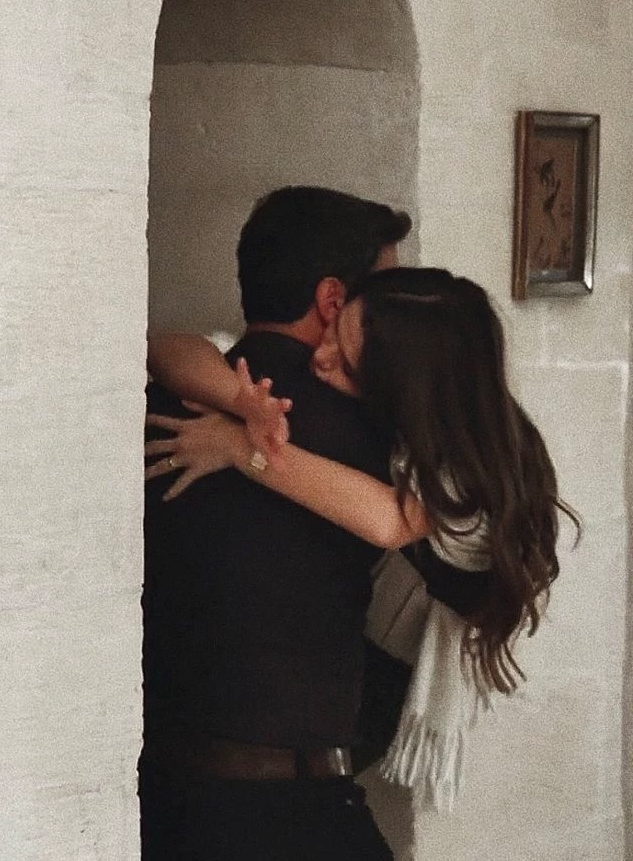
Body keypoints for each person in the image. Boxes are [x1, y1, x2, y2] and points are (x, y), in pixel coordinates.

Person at [146, 266, 579, 810]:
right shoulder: (373, 413)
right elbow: (166, 348)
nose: (321, 357)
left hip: (392, 676)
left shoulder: (472, 475)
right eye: (333, 331)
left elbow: (388, 521)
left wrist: (239, 447)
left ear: (406, 390)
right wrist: (241, 401)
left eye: (348, 364)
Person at [142, 185, 459, 861]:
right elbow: (462, 568)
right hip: (295, 810)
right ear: (334, 301)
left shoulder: (162, 397)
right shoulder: (378, 431)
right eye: (382, 293)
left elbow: (166, 346)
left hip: (160, 805)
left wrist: (245, 442)